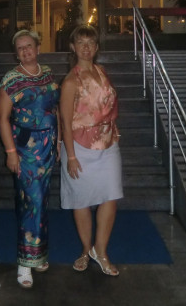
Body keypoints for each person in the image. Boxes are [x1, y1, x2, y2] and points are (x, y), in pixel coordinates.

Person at [0, 29, 61, 289]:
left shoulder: (47, 73)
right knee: (31, 202)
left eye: (29, 46)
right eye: (20, 48)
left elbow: (54, 109)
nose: (25, 51)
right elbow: (2, 118)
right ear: (16, 53)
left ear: (38, 48)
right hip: (26, 148)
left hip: (47, 146)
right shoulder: (11, 80)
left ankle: (38, 255)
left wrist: (58, 141)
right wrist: (11, 152)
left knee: (41, 201)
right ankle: (25, 263)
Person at [60, 24, 123, 277]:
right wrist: (71, 156)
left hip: (108, 143)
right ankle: (86, 250)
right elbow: (65, 121)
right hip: (80, 146)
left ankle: (101, 250)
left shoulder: (101, 71)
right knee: (81, 200)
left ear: (96, 47)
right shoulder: (70, 81)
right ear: (73, 47)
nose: (86, 48)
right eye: (81, 43)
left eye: (90, 43)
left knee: (111, 196)